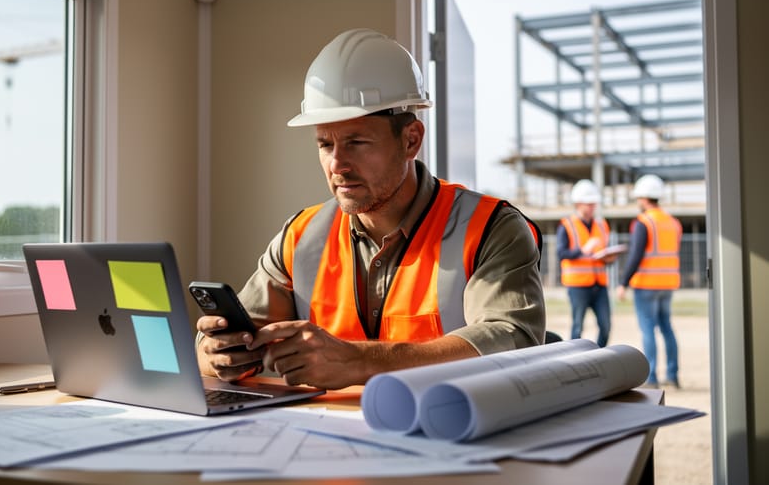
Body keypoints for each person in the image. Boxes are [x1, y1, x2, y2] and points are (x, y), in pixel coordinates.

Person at [196, 28, 545, 390]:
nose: (337, 164)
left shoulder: (491, 228)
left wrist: (362, 361)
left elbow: (513, 340)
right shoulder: (299, 236)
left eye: (357, 142)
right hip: (325, 434)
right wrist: (216, 352)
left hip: (448, 431)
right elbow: (231, 337)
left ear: (411, 140)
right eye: (325, 144)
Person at [616, 174, 682, 388]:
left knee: (648, 330)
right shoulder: (673, 223)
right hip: (668, 284)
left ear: (644, 198)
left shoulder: (643, 222)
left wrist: (623, 282)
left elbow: (635, 255)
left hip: (646, 285)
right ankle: (672, 376)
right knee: (667, 329)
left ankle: (651, 378)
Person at [557, 179, 615, 347]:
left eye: (593, 204)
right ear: (578, 203)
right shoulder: (566, 225)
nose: (592, 207)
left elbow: (601, 253)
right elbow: (561, 253)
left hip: (599, 284)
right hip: (577, 285)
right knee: (577, 326)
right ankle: (574, 359)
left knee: (606, 326)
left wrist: (608, 258)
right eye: (588, 204)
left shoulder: (602, 225)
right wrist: (583, 250)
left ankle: (598, 355)